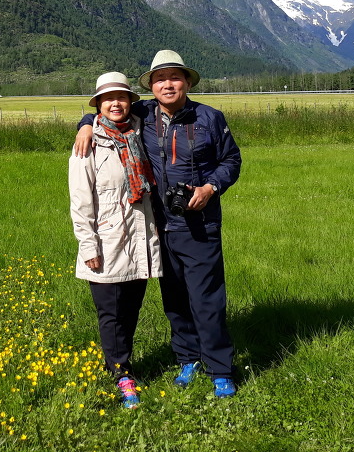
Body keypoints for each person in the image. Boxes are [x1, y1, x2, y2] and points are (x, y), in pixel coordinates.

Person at [75, 50, 241, 398]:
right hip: (159, 226)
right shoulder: (144, 115)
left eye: (174, 77)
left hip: (200, 225)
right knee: (175, 300)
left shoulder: (210, 118)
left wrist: (211, 188)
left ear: (187, 82)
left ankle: (220, 369)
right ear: (151, 86)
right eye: (160, 79)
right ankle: (188, 358)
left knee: (207, 300)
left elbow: (231, 160)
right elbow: (108, 111)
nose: (167, 84)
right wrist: (86, 123)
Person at [69, 71, 162, 409]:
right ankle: (122, 374)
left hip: (140, 240)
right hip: (107, 241)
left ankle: (120, 363)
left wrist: (84, 121)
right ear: (98, 104)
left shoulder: (141, 131)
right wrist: (88, 246)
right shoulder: (88, 144)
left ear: (130, 101)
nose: (115, 103)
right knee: (110, 313)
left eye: (121, 97)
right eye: (108, 99)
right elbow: (81, 202)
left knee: (131, 309)